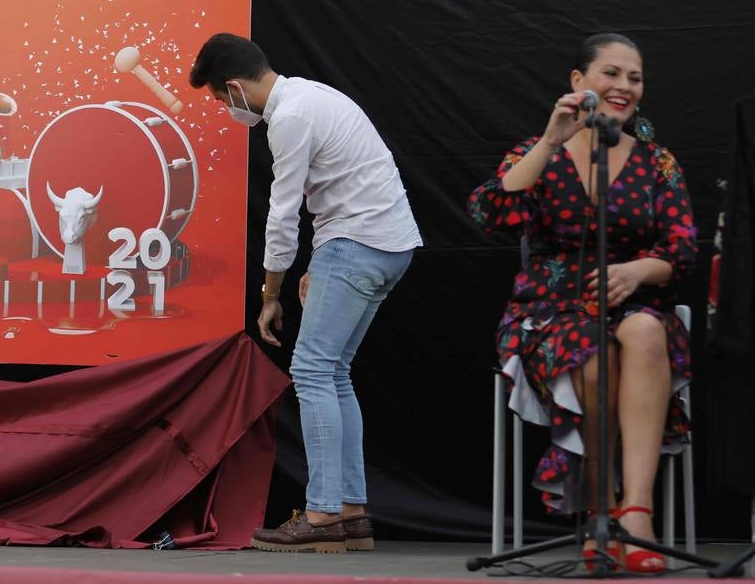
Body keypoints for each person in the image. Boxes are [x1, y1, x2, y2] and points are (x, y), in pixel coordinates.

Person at [468, 33, 694, 574]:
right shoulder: (536, 151)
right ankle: (601, 512)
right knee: (590, 348)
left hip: (638, 303)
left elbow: (682, 249)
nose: (623, 87)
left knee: (642, 333)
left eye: (634, 77)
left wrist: (638, 269)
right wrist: (551, 141)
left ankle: (635, 515)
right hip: (552, 312)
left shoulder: (657, 162)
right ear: (578, 82)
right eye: (611, 73)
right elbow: (491, 213)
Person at [188, 33, 422, 554]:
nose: (228, 110)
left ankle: (320, 517)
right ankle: (351, 514)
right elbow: (345, 185)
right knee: (334, 373)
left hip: (359, 243)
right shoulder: (316, 95)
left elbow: (283, 212)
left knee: (314, 371)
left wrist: (271, 292)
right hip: (388, 245)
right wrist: (322, 261)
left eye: (223, 101)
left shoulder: (289, 118)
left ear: (233, 86)